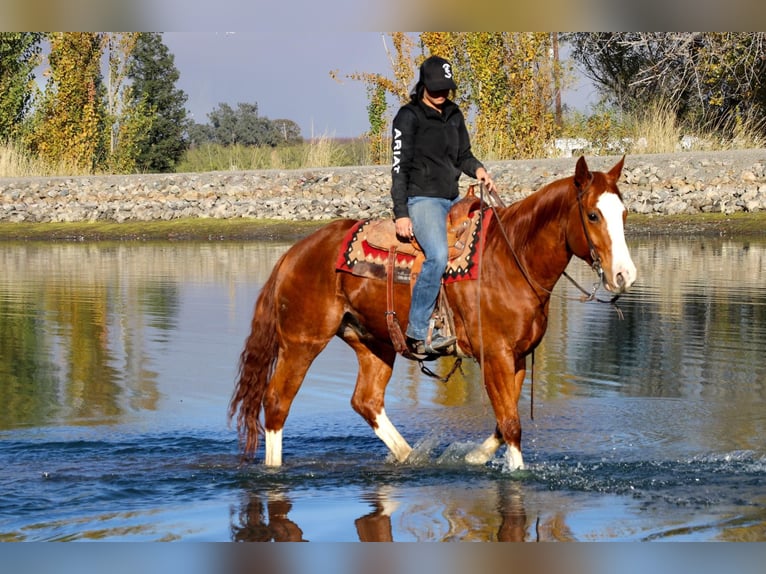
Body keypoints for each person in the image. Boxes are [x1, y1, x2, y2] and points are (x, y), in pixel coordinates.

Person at [390, 55, 497, 356]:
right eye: (436, 89)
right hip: (423, 198)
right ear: (424, 85)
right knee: (437, 256)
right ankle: (417, 330)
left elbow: (463, 154)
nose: (441, 95)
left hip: (454, 197)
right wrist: (401, 213)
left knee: (491, 247)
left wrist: (478, 169)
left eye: (446, 89)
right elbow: (399, 168)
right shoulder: (407, 117)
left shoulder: (454, 114)